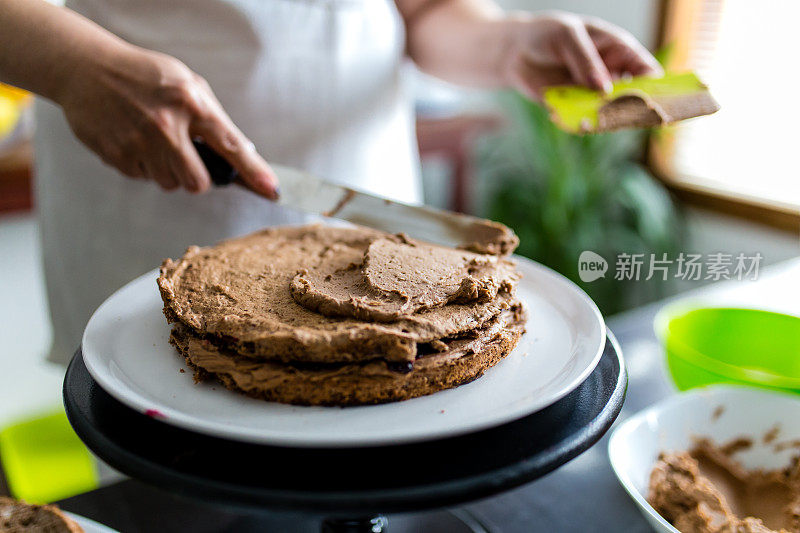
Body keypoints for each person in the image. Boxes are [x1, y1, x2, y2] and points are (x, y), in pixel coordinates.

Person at [0, 0, 660, 365]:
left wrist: (508, 42)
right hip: (147, 198)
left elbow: (421, 9)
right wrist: (73, 63)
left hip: (368, 217)